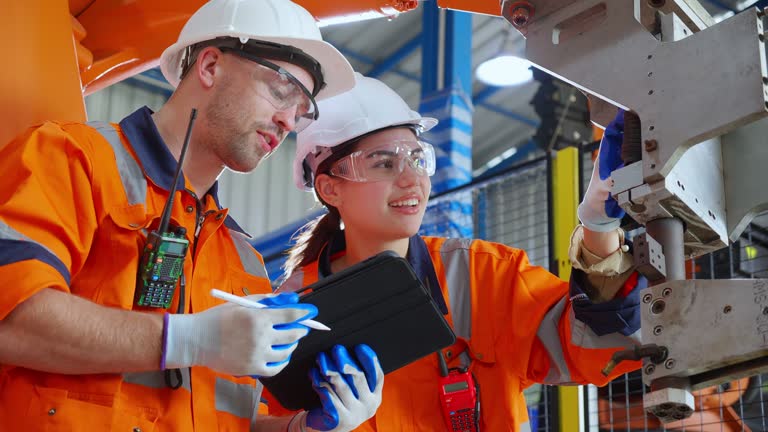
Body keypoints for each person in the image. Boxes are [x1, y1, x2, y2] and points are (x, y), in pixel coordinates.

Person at [0, 0, 382, 431]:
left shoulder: (244, 261)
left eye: (302, 109)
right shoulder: (71, 160)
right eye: (282, 90)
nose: (289, 121)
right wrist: (188, 339)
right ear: (210, 66)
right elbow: (9, 319)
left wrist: (304, 427)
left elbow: (233, 418)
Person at [266, 72, 645, 431]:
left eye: (417, 159)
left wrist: (598, 224)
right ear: (331, 189)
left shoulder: (481, 276)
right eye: (384, 162)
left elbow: (592, 349)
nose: (412, 178)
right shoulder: (292, 307)